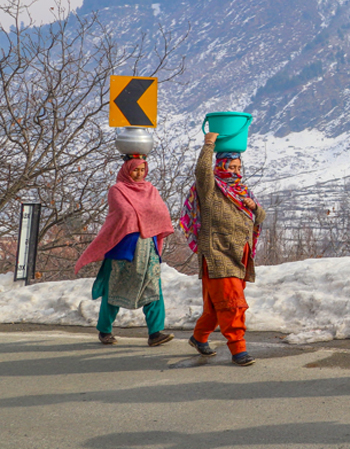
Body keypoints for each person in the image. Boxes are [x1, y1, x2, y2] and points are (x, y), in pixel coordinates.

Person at [179, 132, 265, 366]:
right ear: (220, 166)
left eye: (238, 167)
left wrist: (255, 207)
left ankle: (199, 337)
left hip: (239, 255)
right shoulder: (210, 189)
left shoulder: (242, 191)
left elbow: (260, 216)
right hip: (217, 254)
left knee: (216, 305)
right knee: (231, 303)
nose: (236, 172)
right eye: (231, 167)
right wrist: (209, 145)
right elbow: (201, 172)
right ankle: (238, 349)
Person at [74, 155, 176, 346]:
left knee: (153, 287)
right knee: (115, 288)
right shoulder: (117, 190)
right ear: (126, 171)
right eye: (135, 170)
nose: (139, 174)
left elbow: (161, 213)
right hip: (124, 248)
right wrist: (146, 215)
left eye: (142, 170)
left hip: (148, 247)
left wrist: (143, 216)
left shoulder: (151, 189)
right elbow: (123, 213)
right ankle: (105, 330)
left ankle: (155, 333)